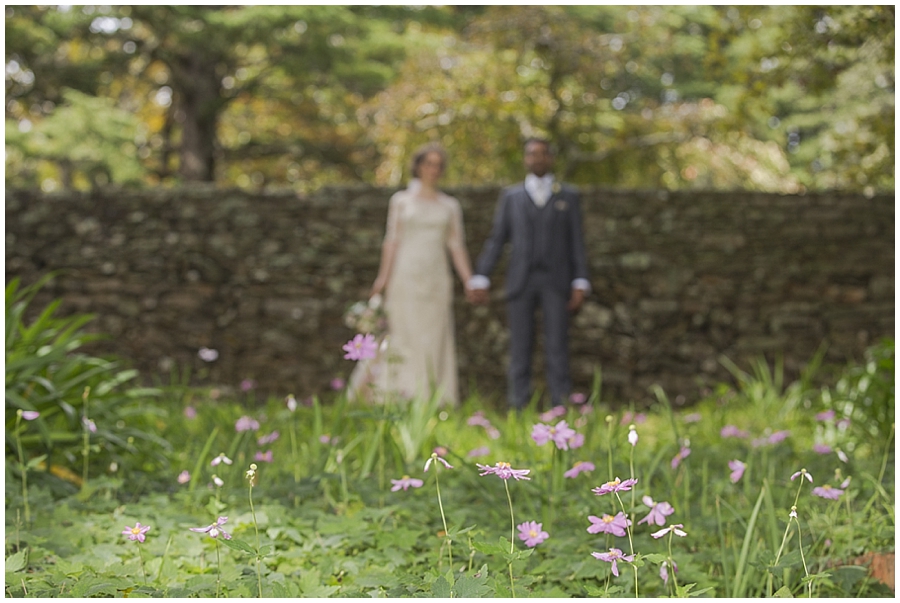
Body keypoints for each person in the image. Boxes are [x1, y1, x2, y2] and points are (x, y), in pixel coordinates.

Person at [468, 137, 590, 410]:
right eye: (532, 154)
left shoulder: (567, 196)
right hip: (520, 282)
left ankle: (560, 407)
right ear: (526, 159)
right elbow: (497, 239)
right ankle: (518, 407)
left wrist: (580, 280)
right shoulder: (511, 197)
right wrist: (481, 275)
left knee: (557, 346)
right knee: (520, 348)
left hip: (556, 281)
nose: (537, 158)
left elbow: (577, 242)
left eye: (542, 154)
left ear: (551, 158)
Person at [349, 143, 475, 406]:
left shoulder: (450, 205)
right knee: (401, 333)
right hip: (404, 275)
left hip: (437, 276)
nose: (433, 169)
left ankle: (432, 396)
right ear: (418, 166)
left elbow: (456, 245)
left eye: (438, 165)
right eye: (428, 163)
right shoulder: (401, 201)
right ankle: (393, 394)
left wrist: (468, 280)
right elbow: (391, 241)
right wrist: (382, 279)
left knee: (433, 335)